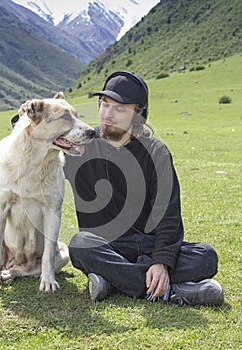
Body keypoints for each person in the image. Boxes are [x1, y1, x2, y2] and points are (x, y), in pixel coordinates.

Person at [14, 71, 224, 306]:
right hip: (103, 246)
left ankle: (112, 282)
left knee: (207, 256)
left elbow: (169, 215)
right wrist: (21, 118)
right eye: (104, 104)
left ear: (139, 114)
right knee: (80, 244)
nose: (108, 114)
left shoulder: (156, 152)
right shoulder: (82, 144)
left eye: (120, 108)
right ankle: (168, 289)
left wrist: (161, 262)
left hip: (149, 243)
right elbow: (35, 142)